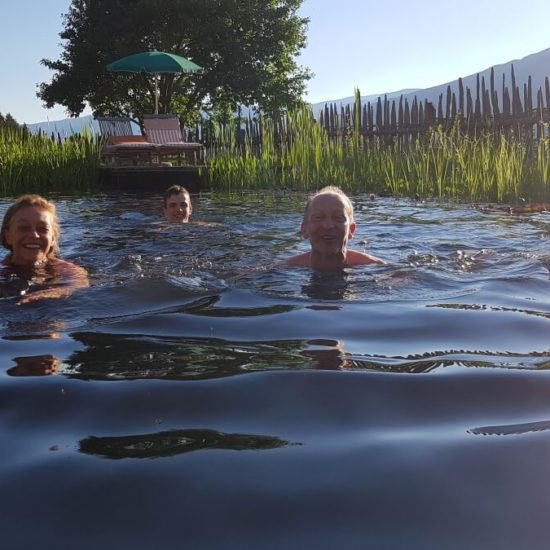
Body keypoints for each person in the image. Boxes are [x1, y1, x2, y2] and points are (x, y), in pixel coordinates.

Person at [1, 194, 89, 304]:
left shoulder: (64, 268)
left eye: (42, 229)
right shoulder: (2, 270)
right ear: (8, 236)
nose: (34, 235)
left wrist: (48, 294)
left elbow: (78, 284)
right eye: (23, 228)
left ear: (52, 238)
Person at [286, 185, 385, 271]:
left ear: (351, 230)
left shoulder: (375, 268)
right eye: (318, 218)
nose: (328, 226)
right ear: (305, 230)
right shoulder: (285, 269)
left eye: (338, 218)